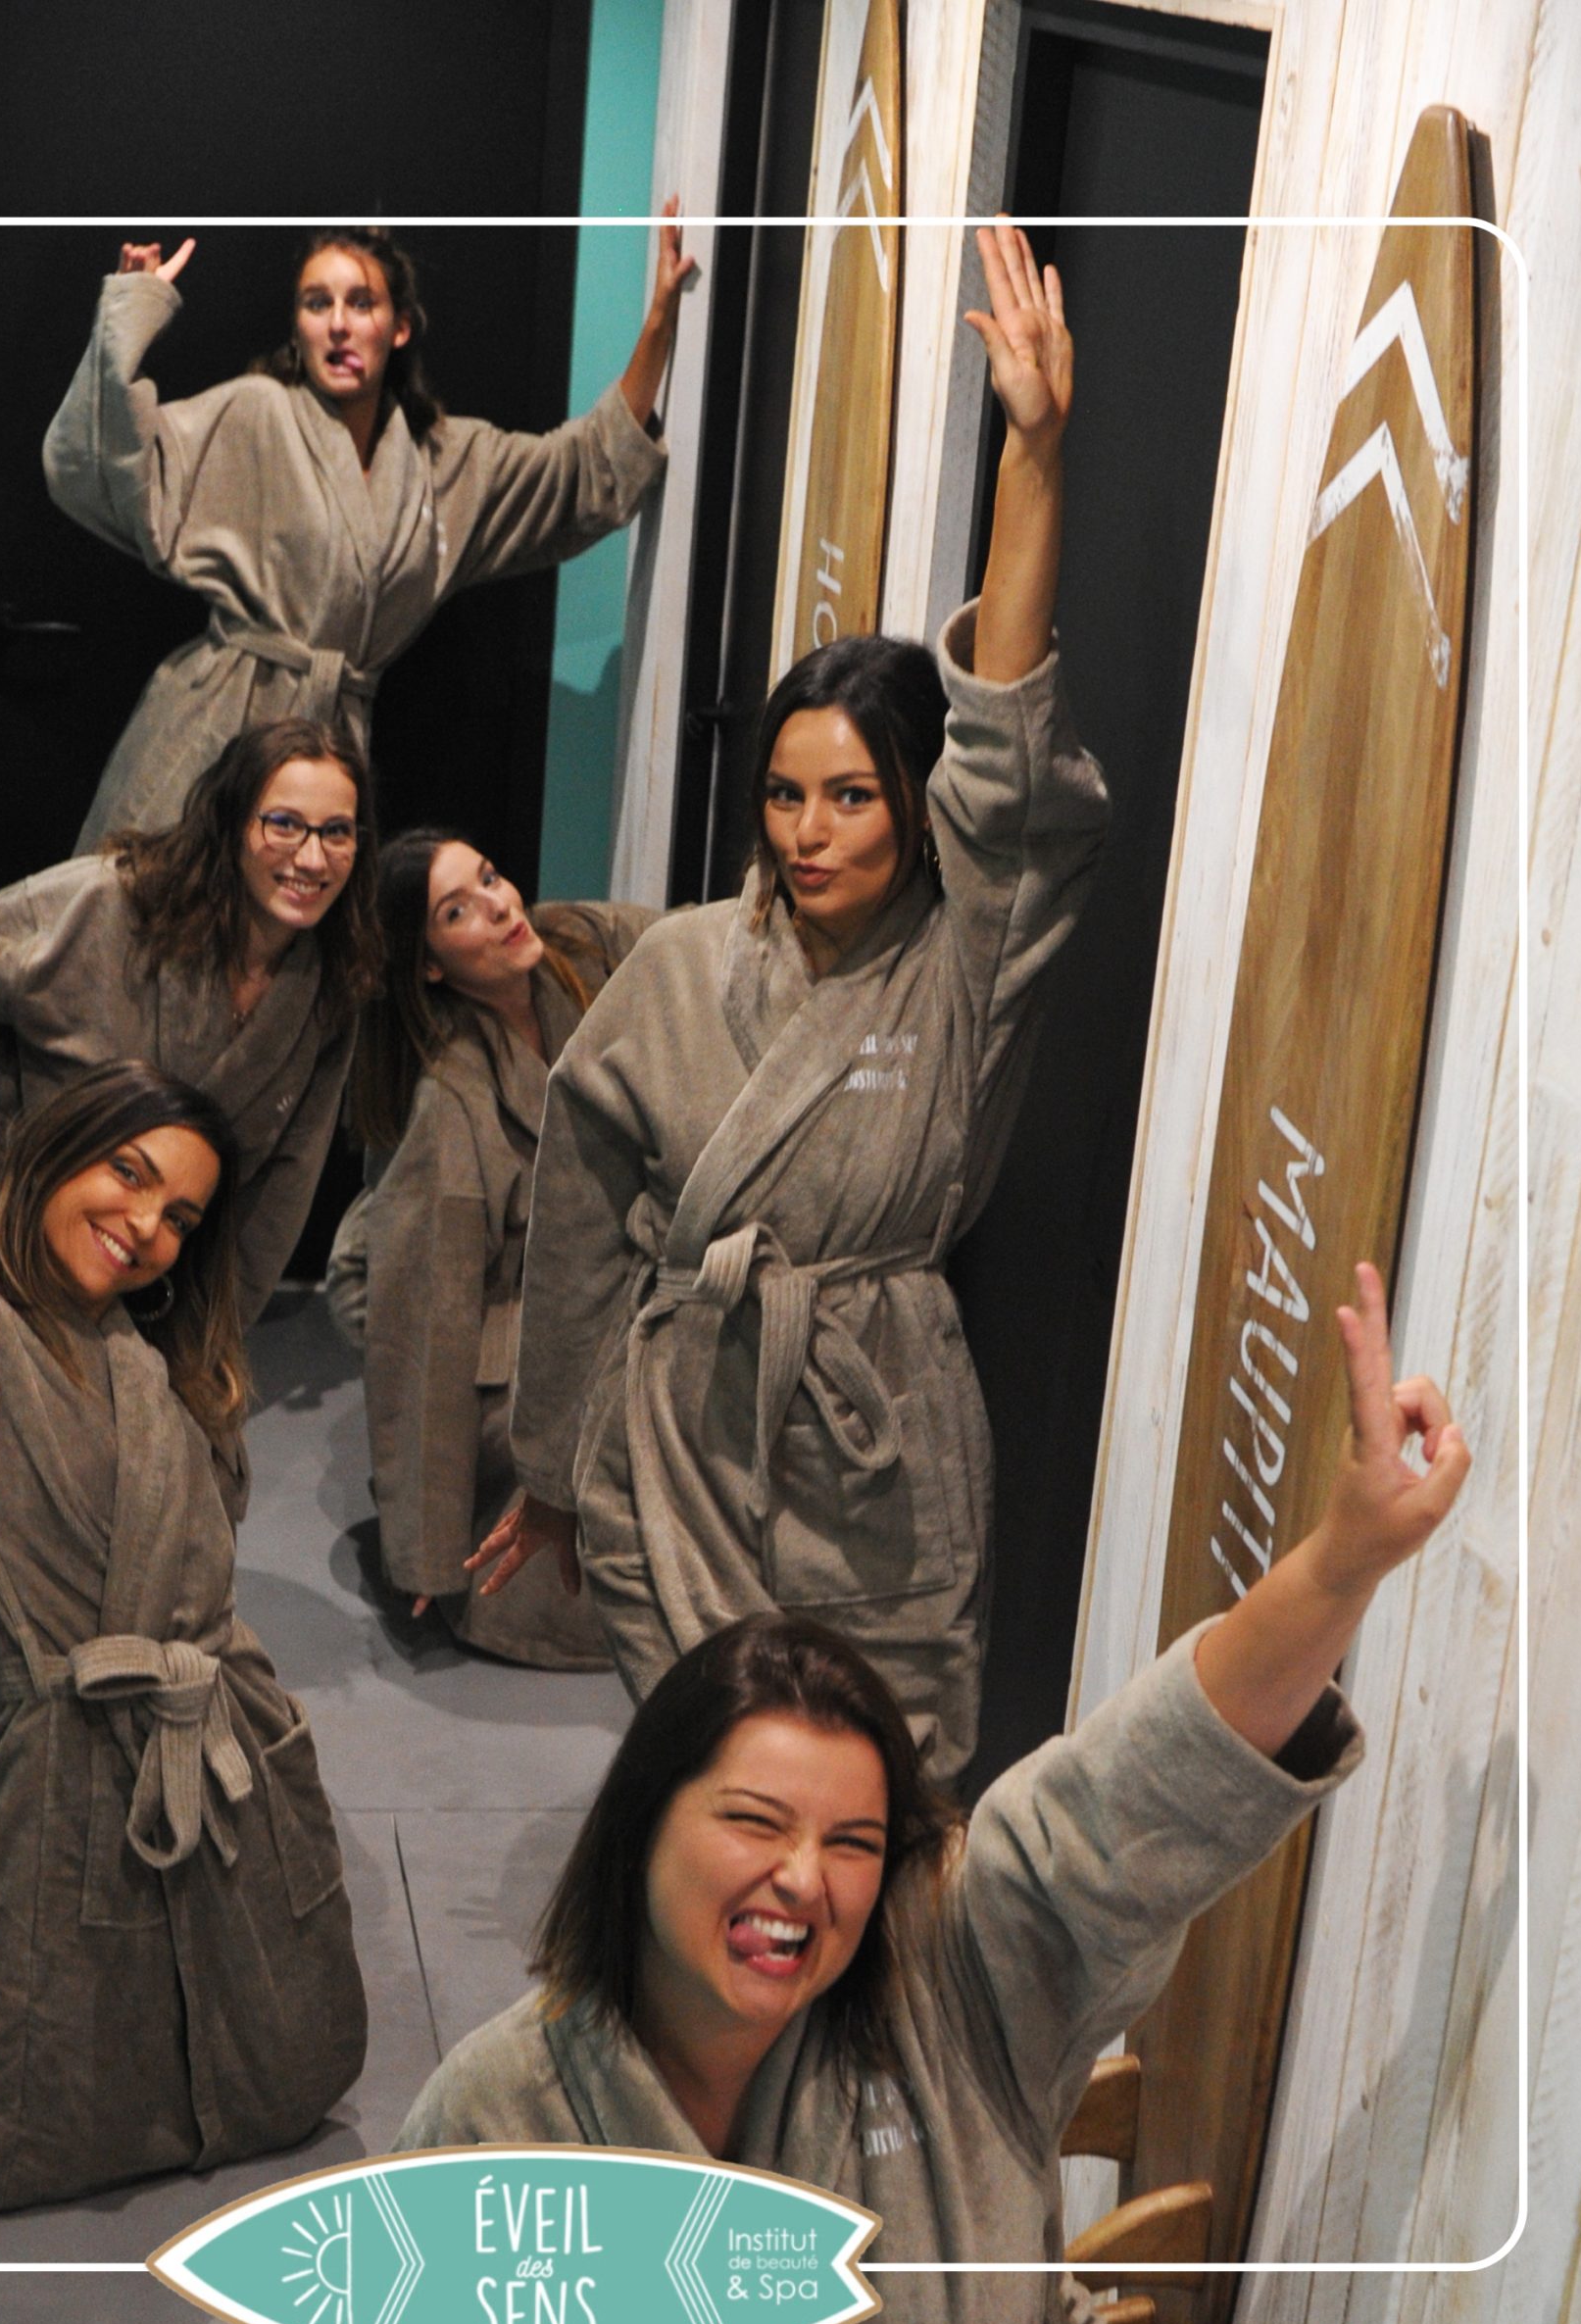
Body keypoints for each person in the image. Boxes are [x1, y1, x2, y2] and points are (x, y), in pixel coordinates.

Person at [254, 1264, 1471, 2324]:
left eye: (852, 1841)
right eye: (753, 1821)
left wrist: (1342, 1561)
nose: (803, 1879)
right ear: (641, 1825)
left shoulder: (949, 1957)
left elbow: (1135, 1796)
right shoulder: (505, 2125)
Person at [470, 223, 1106, 1776]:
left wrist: (1035, 457)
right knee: (709, 1784)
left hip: (875, 1451)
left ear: (919, 808)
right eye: (782, 794)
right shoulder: (685, 967)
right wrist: (555, 1468)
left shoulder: (968, 963)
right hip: (680, 1435)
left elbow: (1009, 761)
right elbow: (578, 1224)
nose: (808, 834)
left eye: (853, 797)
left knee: (883, 1796)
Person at [0, 651, 368, 2212]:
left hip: (212, 1744)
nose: (147, 1223)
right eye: (124, 1179)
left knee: (282, 2057)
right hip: (53, 1757)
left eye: (178, 1213)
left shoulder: (162, 1362)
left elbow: (258, 1216)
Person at [0, 711, 381, 1743]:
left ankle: (88, 1688)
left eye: (337, 832)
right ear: (232, 820)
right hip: (20, 1247)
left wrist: (214, 1338)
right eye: (284, 822)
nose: (311, 855)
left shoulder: (327, 983)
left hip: (166, 1267)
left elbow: (280, 1184)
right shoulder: (109, 908)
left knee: (150, 1491)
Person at [42, 216, 695, 852]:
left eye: (361, 303)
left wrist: (661, 321)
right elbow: (107, 466)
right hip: (213, 732)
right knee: (153, 908)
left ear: (400, 326)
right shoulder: (255, 413)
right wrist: (130, 309)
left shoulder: (444, 464)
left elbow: (578, 472)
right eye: (316, 303)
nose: (338, 323)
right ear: (297, 330)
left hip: (332, 752)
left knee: (294, 915)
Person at [338, 833, 660, 1665]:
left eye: (489, 876)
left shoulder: (580, 947)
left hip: (621, 1310)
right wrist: (425, 1549)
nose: (499, 904)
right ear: (430, 965)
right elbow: (426, 1329)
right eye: (459, 911)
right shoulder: (451, 1104)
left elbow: (699, 940)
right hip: (518, 1361)